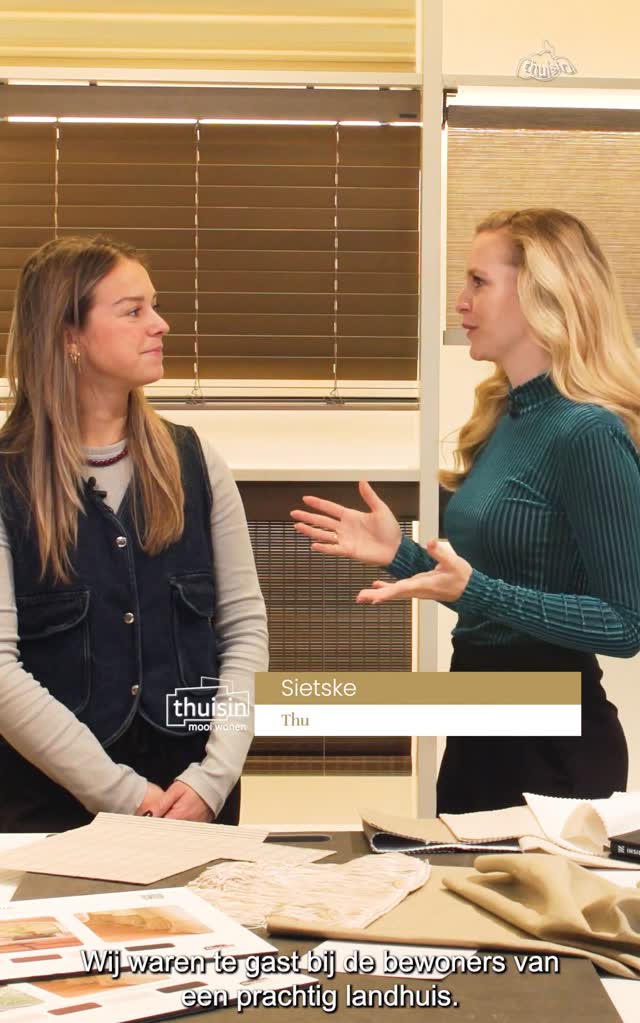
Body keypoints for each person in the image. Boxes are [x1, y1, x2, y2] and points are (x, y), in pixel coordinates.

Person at [292, 208, 640, 814]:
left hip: (553, 747)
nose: (461, 301)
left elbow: (625, 625)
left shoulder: (587, 432)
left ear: (541, 293)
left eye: (479, 281)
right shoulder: (505, 416)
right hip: (481, 721)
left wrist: (476, 591)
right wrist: (400, 554)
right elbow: (488, 590)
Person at [0, 234, 268, 832]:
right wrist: (125, 796)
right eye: (133, 310)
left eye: (155, 306)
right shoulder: (8, 477)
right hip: (51, 806)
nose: (160, 324)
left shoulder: (197, 462)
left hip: (194, 796)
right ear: (68, 335)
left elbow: (245, 634)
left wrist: (213, 778)